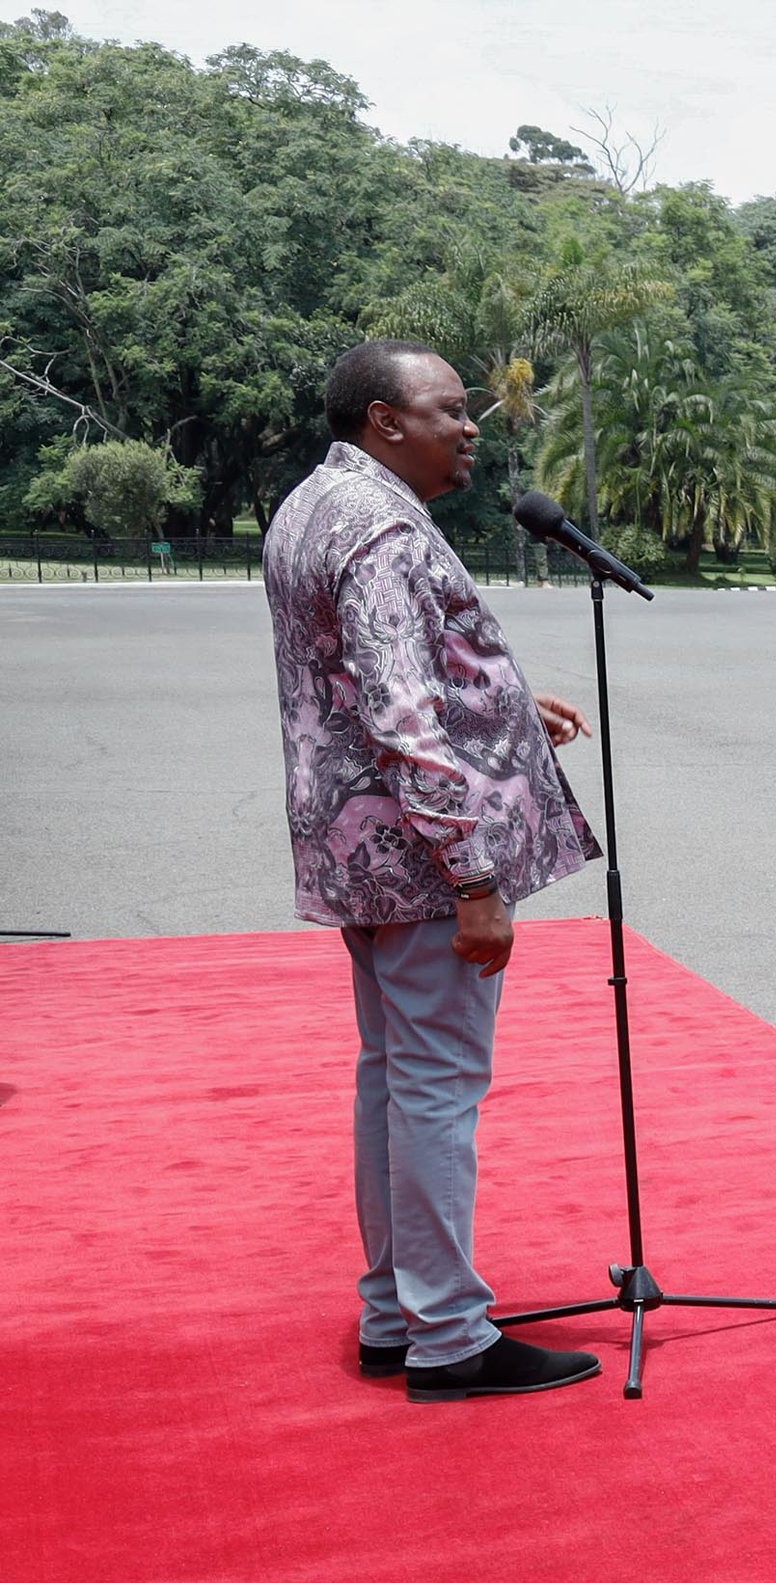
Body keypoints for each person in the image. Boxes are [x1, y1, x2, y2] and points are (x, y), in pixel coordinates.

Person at [264, 342, 609, 1404]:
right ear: (385, 420)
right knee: (436, 1086)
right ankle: (450, 1335)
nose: (471, 427)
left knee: (392, 1077)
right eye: (450, 410)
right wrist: (474, 879)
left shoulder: (313, 502)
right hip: (419, 862)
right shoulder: (379, 527)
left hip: (355, 845)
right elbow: (402, 716)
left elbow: (367, 674)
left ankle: (393, 1313)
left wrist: (504, 705)